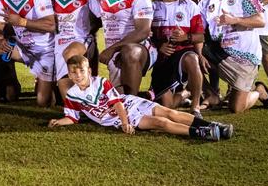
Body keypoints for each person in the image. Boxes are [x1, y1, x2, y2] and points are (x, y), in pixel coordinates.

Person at [48, 55, 232, 142]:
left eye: (82, 71)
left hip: (127, 105)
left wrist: (125, 123)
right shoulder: (72, 95)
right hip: (116, 118)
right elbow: (72, 117)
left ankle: (212, 126)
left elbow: (117, 102)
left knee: (169, 112)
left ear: (89, 71)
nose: (78, 75)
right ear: (70, 75)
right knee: (161, 123)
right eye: (74, 72)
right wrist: (59, 121)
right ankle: (201, 133)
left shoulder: (101, 82)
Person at [198, 0, 263, 113]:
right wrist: (200, 54)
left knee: (236, 108)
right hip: (220, 54)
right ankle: (211, 94)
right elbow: (198, 31)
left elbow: (260, 21)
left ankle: (259, 91)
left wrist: (235, 20)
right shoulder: (205, 3)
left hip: (245, 57)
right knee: (188, 56)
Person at [88, 0, 156, 96]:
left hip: (140, 48)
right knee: (118, 99)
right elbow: (95, 20)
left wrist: (112, 49)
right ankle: (144, 97)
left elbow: (143, 31)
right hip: (114, 52)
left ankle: (133, 102)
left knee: (129, 52)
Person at [0, 0, 56, 107]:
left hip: (45, 51)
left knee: (43, 102)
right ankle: (8, 86)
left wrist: (22, 22)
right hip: (24, 50)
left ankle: (53, 83)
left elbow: (51, 25)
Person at [150, 0, 205, 117]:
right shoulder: (152, 6)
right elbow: (146, 35)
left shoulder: (190, 6)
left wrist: (185, 37)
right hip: (162, 60)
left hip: (182, 54)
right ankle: (186, 93)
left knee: (192, 59)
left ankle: (195, 107)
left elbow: (200, 36)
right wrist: (160, 45)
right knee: (169, 106)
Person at [49, 0, 91, 97]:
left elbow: (102, 14)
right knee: (55, 98)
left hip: (78, 39)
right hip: (55, 41)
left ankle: (90, 91)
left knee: (68, 53)